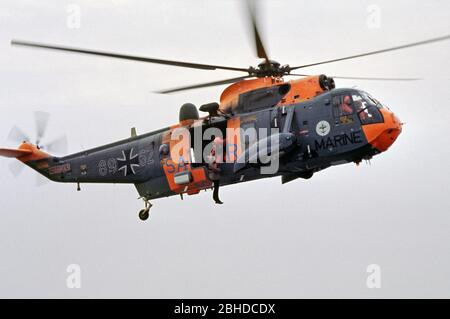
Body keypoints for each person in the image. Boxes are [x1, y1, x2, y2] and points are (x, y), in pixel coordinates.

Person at [207, 136, 224, 204]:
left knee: (216, 186)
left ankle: (216, 199)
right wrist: (217, 170)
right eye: (219, 144)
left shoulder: (214, 150)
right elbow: (210, 165)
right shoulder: (214, 151)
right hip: (213, 173)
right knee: (216, 186)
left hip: (214, 172)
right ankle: (216, 199)